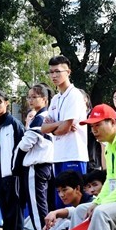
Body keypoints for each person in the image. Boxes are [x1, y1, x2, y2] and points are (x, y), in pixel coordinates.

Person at [7, 170, 93, 230]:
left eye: (64, 190)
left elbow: (78, 228)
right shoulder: (78, 205)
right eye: (58, 191)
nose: (61, 195)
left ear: (77, 188)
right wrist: (54, 214)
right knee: (60, 219)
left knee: (65, 222)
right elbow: (71, 212)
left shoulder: (90, 204)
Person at [41, 55, 89, 209]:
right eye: (51, 72)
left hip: (74, 154)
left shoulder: (75, 95)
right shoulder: (55, 99)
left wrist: (58, 127)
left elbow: (65, 128)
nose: (54, 75)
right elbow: (44, 128)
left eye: (58, 71)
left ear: (68, 72)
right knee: (60, 201)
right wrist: (60, 125)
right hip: (58, 156)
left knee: (75, 200)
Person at [12, 84, 54, 230]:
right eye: (29, 97)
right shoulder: (45, 116)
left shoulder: (40, 118)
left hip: (36, 167)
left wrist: (15, 165)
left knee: (37, 207)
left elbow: (26, 144)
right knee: (43, 204)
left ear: (44, 99)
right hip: (46, 166)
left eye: (34, 97)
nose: (30, 100)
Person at [0, 89, 25, 230]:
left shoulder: (14, 124)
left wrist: (15, 171)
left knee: (14, 211)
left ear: (7, 103)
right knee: (5, 210)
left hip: (13, 174)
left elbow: (21, 150)